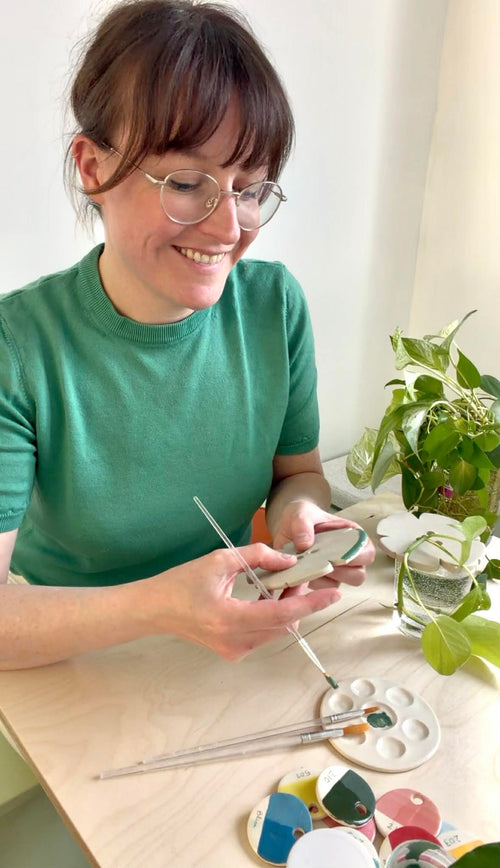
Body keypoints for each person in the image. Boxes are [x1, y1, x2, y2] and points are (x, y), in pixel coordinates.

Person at [0, 0, 374, 671]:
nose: (229, 227)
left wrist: (303, 522)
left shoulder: (273, 306)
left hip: (230, 646)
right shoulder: (18, 347)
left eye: (249, 187)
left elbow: (300, 477)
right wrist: (161, 607)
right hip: (68, 662)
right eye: (185, 182)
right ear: (92, 168)